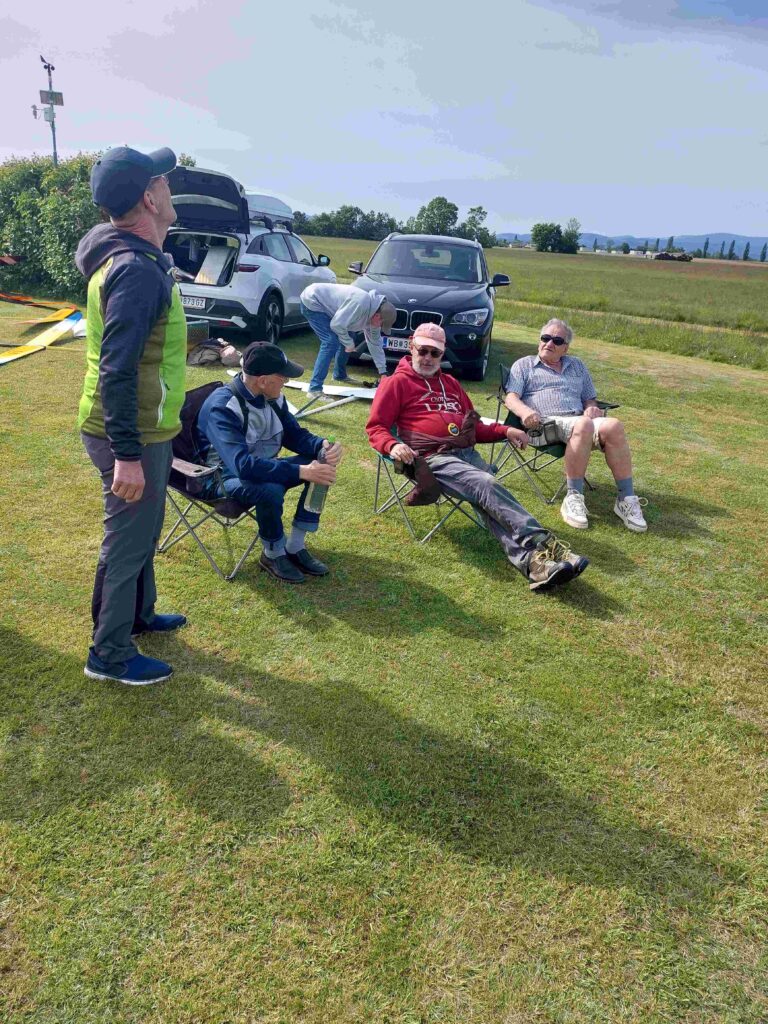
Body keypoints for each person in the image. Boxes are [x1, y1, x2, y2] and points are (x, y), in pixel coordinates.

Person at [77, 145, 187, 686]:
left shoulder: (136, 261)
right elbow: (117, 370)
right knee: (126, 542)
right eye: (163, 179)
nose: (170, 186)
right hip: (129, 431)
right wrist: (126, 454)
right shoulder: (136, 271)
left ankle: (138, 615)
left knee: (143, 534)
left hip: (145, 426)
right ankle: (110, 653)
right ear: (149, 197)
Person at [366, 323, 589, 591]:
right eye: (422, 350)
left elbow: (475, 428)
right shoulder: (396, 383)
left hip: (465, 452)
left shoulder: (451, 384)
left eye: (434, 353)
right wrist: (392, 445)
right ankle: (546, 544)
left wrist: (506, 430)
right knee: (486, 484)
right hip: (432, 458)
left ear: (442, 353)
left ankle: (534, 565)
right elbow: (376, 427)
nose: (427, 358)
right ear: (411, 346)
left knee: (488, 500)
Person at [196, 342, 343, 584]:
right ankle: (272, 554)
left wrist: (321, 446)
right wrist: (301, 471)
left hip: (257, 468)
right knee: (270, 489)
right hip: (219, 478)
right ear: (263, 381)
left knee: (322, 463)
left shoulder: (272, 396)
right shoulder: (222, 407)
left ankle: (295, 546)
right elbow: (242, 466)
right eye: (282, 376)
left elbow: (294, 435)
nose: (286, 380)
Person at [505, 318, 647, 532]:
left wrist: (591, 408)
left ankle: (626, 499)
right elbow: (511, 397)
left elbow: (589, 399)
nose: (549, 343)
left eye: (557, 340)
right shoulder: (524, 365)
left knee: (614, 425)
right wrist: (525, 412)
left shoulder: (577, 366)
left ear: (566, 348)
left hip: (579, 422)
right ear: (539, 341)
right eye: (545, 338)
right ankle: (573, 497)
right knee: (583, 424)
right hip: (543, 425)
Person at [300, 282, 397, 397]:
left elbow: (375, 344)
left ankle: (339, 375)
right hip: (313, 300)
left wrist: (383, 371)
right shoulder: (360, 303)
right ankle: (314, 389)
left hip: (331, 308)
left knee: (349, 336)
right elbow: (336, 325)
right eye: (382, 324)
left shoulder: (375, 316)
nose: (380, 327)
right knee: (331, 341)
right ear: (377, 316)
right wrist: (349, 344)